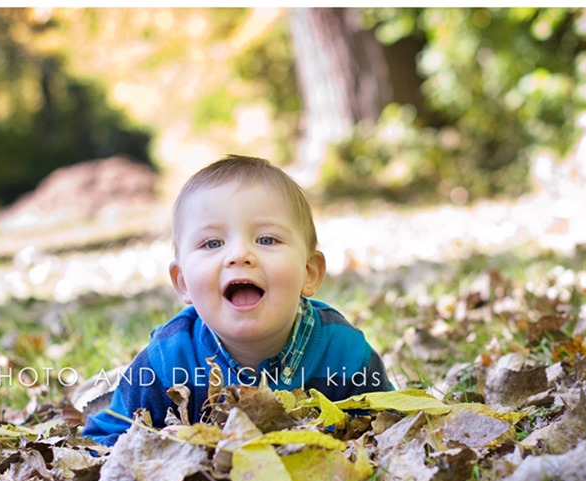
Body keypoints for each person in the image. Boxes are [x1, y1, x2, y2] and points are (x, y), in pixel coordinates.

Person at [82, 155, 392, 446]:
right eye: (213, 242)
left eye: (266, 239)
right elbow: (103, 437)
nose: (239, 255)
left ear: (309, 272)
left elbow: (391, 424)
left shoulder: (345, 354)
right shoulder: (166, 361)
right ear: (183, 282)